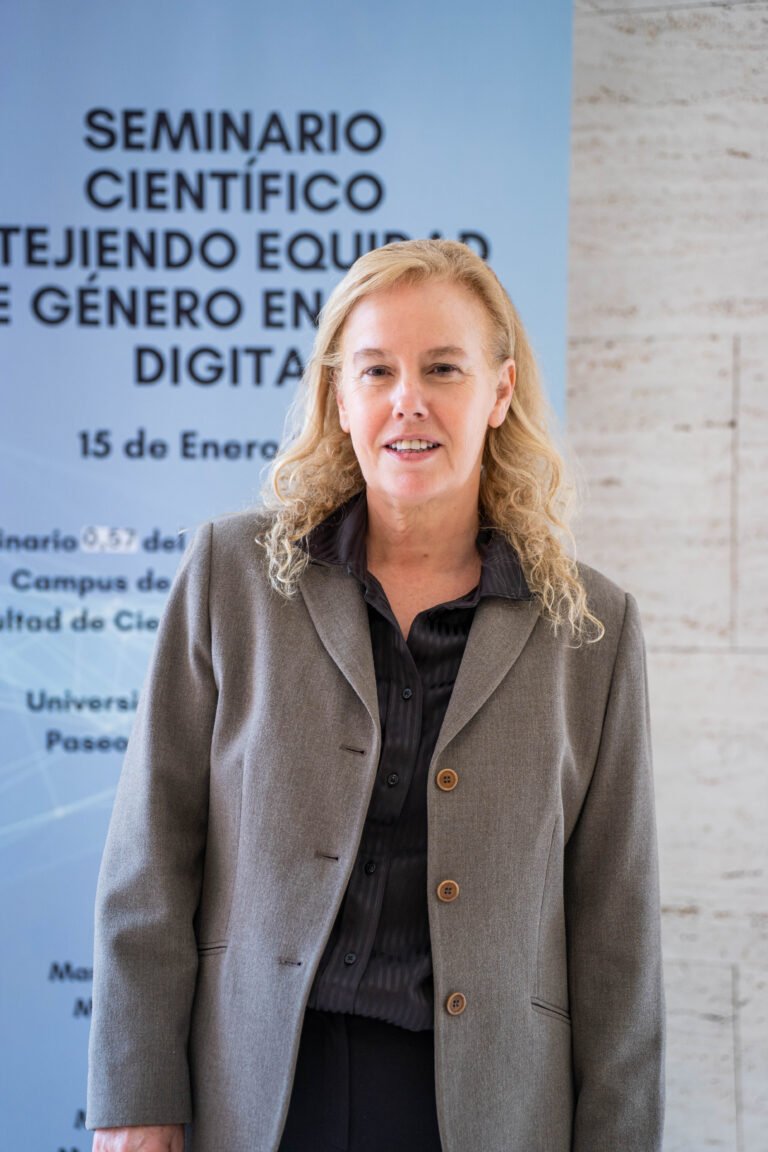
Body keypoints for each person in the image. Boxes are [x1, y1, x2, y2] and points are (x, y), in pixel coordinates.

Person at [87, 238, 666, 1152]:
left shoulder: (591, 628)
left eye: (443, 368)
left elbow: (618, 940)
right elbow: (149, 862)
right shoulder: (230, 577)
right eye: (377, 370)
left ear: (500, 392)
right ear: (339, 396)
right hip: (260, 1094)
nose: (409, 400)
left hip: (485, 1110)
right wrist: (134, 1099)